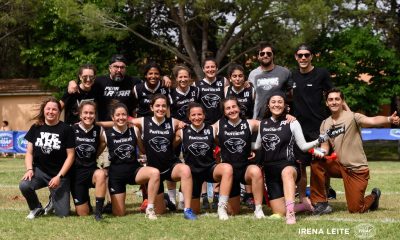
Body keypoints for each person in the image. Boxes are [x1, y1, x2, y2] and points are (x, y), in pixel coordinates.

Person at [310, 88, 400, 214]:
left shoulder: (353, 117)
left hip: (356, 169)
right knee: (317, 163)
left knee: (356, 209)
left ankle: (374, 196)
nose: (334, 102)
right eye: (330, 100)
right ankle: (321, 203)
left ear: (342, 101)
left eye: (337, 99)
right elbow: (325, 147)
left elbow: (372, 120)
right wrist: (320, 152)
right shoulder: (325, 123)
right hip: (339, 165)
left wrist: (389, 119)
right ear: (327, 103)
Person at [254, 92, 329, 224]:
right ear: (268, 105)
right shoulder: (263, 124)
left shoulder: (292, 122)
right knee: (279, 211)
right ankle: (303, 206)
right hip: (270, 170)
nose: (276, 104)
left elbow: (304, 146)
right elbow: (257, 145)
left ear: (285, 105)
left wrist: (320, 139)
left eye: (279, 102)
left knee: (287, 172)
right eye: (273, 102)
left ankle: (291, 213)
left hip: (289, 165)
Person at [130, 94, 197, 220]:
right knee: (160, 211)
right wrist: (96, 122)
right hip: (154, 171)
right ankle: (165, 200)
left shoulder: (173, 122)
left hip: (170, 166)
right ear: (151, 107)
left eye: (163, 106)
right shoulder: (143, 121)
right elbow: (122, 120)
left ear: (167, 108)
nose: (160, 109)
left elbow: (187, 126)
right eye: (157, 106)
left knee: (185, 170)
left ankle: (187, 209)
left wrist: (182, 126)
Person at [291, 43, 335, 209]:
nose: (303, 58)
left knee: (320, 164)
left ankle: (323, 196)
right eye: (300, 55)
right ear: (296, 57)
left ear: (312, 56)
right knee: (301, 167)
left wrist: (348, 115)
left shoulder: (321, 73)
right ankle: (303, 199)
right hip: (299, 130)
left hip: (319, 128)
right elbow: (283, 96)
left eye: (306, 55)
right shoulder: (292, 76)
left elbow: (334, 96)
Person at [174, 102, 233, 220]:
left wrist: (249, 151)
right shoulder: (182, 131)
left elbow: (224, 145)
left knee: (227, 168)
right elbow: (169, 148)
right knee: (195, 211)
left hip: (209, 169)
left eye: (199, 114)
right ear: (189, 117)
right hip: (192, 174)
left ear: (204, 115)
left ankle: (221, 208)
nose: (197, 117)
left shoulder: (211, 129)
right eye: (193, 115)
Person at [19, 97, 75, 219]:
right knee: (24, 185)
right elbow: (29, 153)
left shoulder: (67, 129)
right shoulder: (36, 127)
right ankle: (36, 208)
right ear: (44, 110)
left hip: (59, 174)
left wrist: (59, 176)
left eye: (54, 109)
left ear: (59, 112)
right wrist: (29, 169)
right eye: (48, 109)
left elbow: (71, 156)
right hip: (40, 172)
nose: (51, 112)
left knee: (63, 214)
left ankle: (52, 201)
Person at [104, 102, 160, 219]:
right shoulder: (105, 134)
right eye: (118, 115)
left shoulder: (134, 130)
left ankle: (150, 208)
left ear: (127, 116)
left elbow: (143, 150)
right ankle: (111, 203)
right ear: (112, 117)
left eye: (124, 114)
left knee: (154, 173)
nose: (121, 117)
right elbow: (96, 152)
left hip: (134, 171)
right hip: (116, 176)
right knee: (119, 213)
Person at [213, 96, 265, 219]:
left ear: (239, 108)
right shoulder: (218, 125)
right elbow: (203, 131)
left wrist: (288, 117)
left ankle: (258, 209)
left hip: (244, 169)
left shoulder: (249, 123)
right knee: (234, 211)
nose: (232, 110)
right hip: (228, 173)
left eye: (234, 107)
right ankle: (222, 207)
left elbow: (269, 124)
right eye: (228, 108)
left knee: (256, 171)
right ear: (224, 111)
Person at [70, 101, 107, 220]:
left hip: (91, 170)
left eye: (91, 113)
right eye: (85, 113)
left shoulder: (98, 129)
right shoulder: (72, 129)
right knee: (83, 213)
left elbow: (103, 142)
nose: (88, 116)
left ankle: (98, 212)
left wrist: (96, 155)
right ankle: (86, 202)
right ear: (80, 115)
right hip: (76, 174)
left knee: (101, 174)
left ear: (95, 115)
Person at [248, 42, 292, 120]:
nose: (265, 55)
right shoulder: (253, 74)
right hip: (259, 119)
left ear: (273, 55)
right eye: (262, 54)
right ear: (258, 56)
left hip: (280, 118)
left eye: (268, 53)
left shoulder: (285, 72)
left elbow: (291, 95)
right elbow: (251, 97)